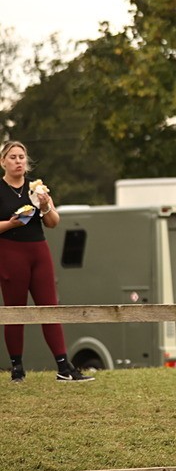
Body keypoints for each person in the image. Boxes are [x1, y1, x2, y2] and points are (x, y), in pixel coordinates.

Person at [0, 141, 94, 382]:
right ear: (3, 162)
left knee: (49, 307)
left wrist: (44, 206)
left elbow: (53, 222)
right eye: (13, 157)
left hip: (38, 251)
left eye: (22, 157)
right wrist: (12, 223)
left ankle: (64, 367)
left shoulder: (37, 188)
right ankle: (17, 368)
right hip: (11, 252)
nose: (19, 161)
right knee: (15, 311)